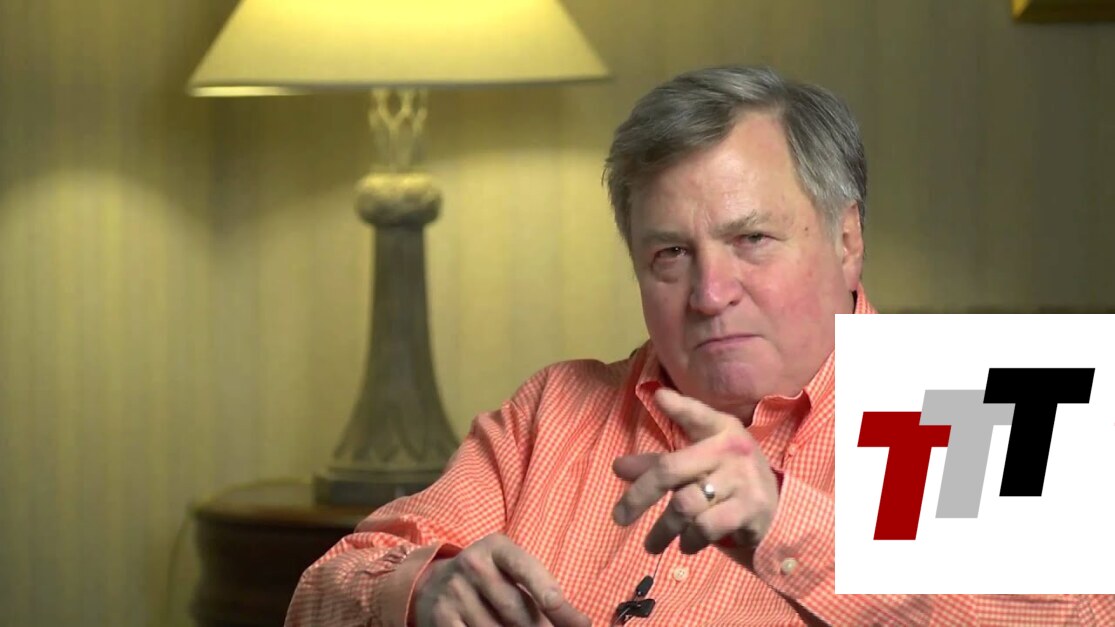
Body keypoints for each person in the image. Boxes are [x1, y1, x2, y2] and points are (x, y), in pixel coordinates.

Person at [285, 66, 1115, 626]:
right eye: (670, 254)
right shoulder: (557, 405)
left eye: (751, 238)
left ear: (847, 239)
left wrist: (783, 524)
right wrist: (422, 587)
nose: (710, 292)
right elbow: (324, 587)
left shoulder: (984, 394)